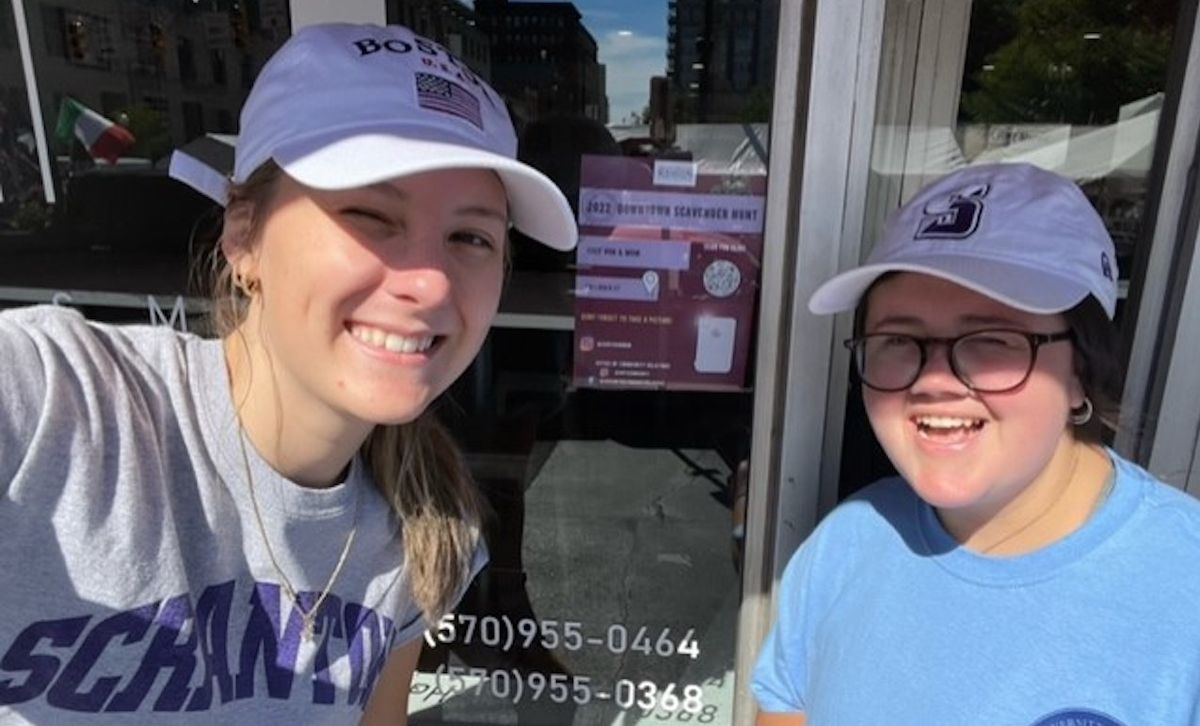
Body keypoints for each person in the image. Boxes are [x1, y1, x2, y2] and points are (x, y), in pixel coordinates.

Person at [0, 22, 575, 724]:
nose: (429, 284)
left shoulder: (426, 527)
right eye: (370, 215)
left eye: (470, 237)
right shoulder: (57, 401)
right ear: (243, 235)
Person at [751, 163, 1200, 725]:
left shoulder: (1186, 589)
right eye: (898, 339)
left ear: (1082, 369)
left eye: (990, 339)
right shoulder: (846, 544)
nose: (934, 379)